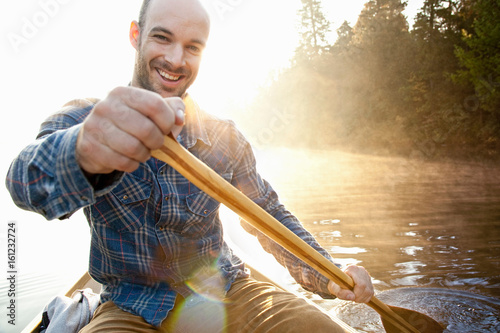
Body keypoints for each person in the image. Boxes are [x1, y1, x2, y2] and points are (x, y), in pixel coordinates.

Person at [6, 0, 374, 332]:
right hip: (129, 306)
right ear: (136, 35)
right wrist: (83, 150)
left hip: (227, 291)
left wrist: (328, 274)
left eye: (192, 47)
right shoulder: (87, 119)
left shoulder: (223, 137)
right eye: (162, 38)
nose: (177, 60)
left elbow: (269, 215)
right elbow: (25, 184)